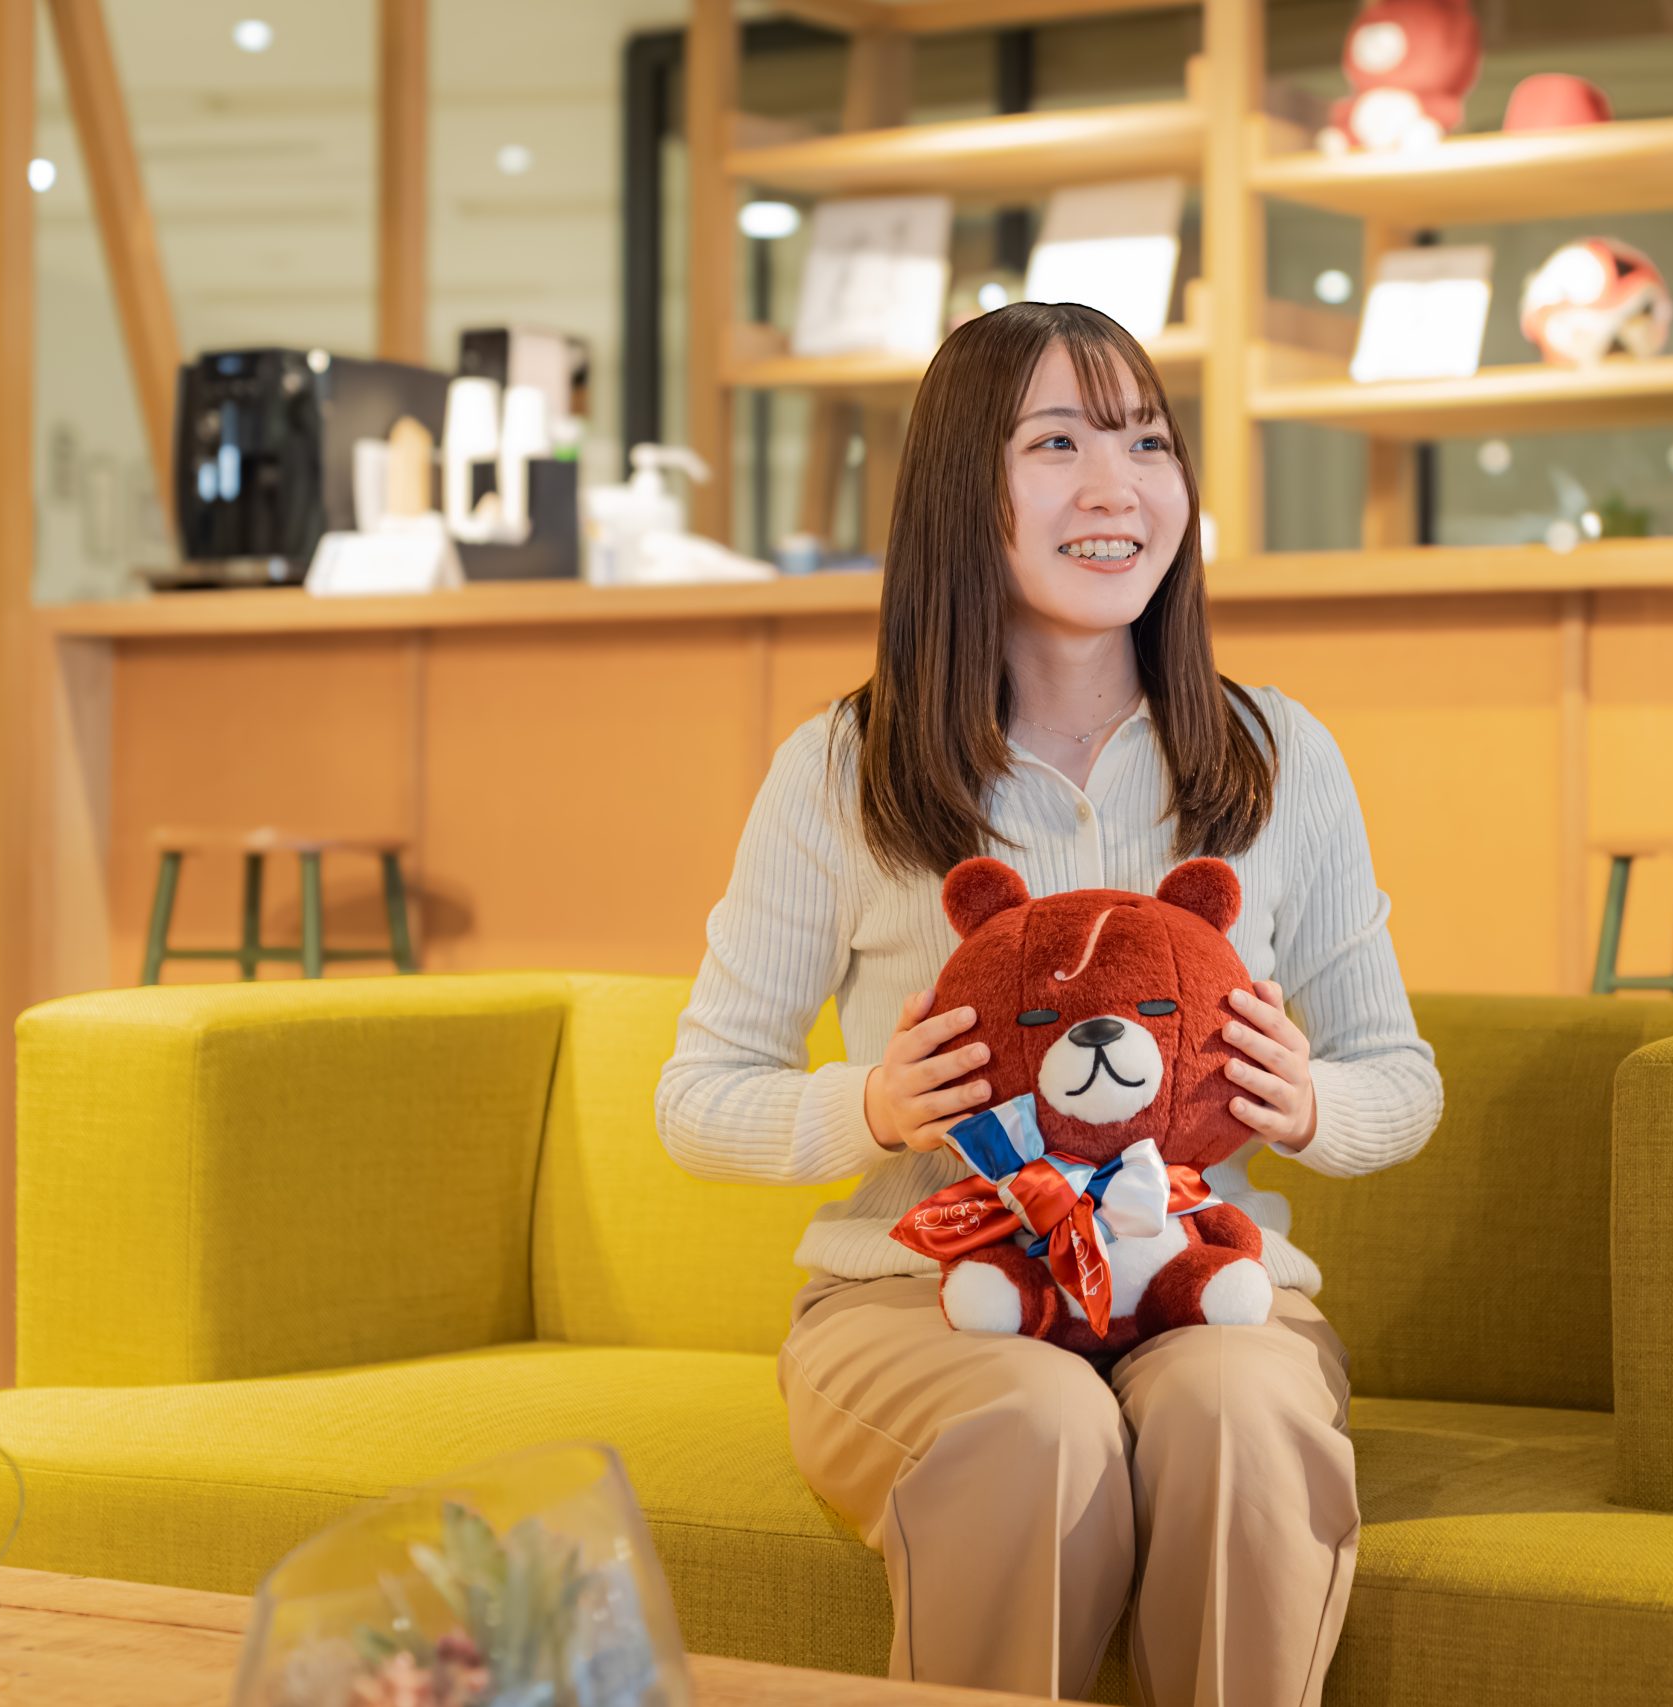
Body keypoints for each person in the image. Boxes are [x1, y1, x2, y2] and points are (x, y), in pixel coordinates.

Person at [655, 300, 1442, 1706]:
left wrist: (1310, 1102)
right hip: (923, 1299)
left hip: (1205, 1288)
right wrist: (870, 1106)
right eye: (1058, 444)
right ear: (965, 486)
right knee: (1040, 1424)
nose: (1115, 488)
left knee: (1238, 1420)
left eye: (1147, 443)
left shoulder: (1278, 757)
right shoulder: (844, 770)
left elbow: (1402, 1077)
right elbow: (699, 1098)